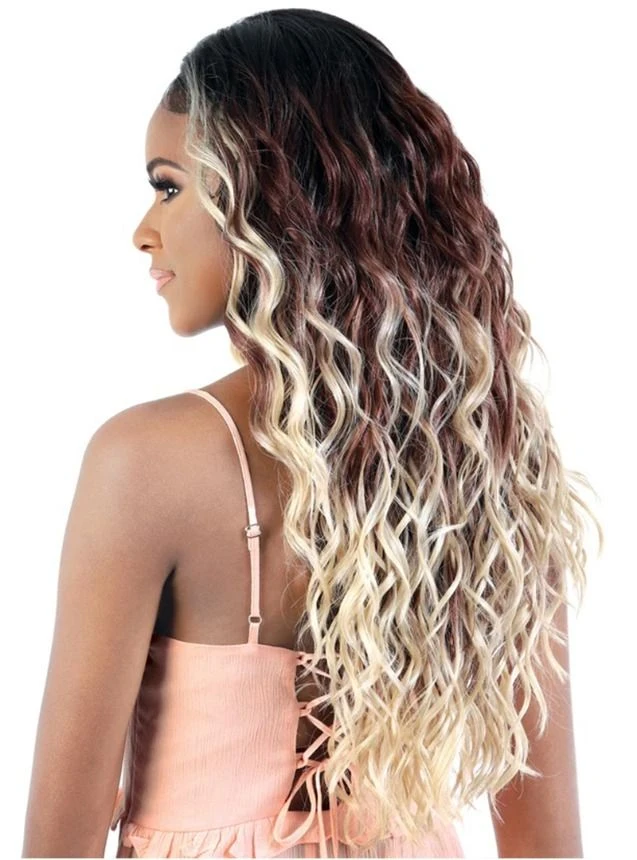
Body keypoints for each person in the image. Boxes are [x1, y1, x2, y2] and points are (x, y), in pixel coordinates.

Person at [21, 8, 603, 858]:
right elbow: (548, 845)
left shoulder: (144, 463)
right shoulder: (487, 457)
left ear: (267, 200)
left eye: (169, 186)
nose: (143, 231)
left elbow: (56, 844)